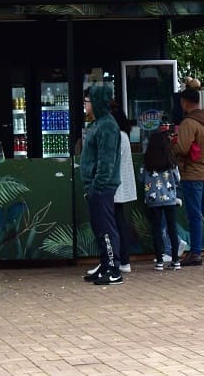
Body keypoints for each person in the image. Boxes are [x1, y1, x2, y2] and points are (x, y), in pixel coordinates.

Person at [172, 84, 204, 265]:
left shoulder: (188, 123)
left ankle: (195, 253)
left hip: (193, 174)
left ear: (185, 103)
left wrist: (173, 146)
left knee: (194, 214)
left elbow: (183, 148)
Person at [80, 85, 123, 285]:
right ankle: (105, 264)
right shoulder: (98, 124)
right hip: (95, 186)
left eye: (87, 101)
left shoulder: (107, 126)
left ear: (96, 102)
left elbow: (107, 161)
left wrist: (97, 186)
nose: (85, 105)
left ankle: (114, 268)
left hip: (102, 187)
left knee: (106, 227)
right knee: (99, 227)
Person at [140, 130, 182, 270]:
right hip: (170, 198)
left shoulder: (147, 161)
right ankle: (175, 261)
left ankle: (159, 261)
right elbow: (177, 179)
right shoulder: (171, 160)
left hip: (153, 200)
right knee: (172, 229)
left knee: (156, 229)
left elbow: (141, 179)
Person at [111, 104, 137, 273]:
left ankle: (120, 259)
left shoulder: (116, 136)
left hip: (115, 185)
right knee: (120, 221)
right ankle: (124, 260)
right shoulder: (125, 135)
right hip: (122, 185)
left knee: (115, 223)